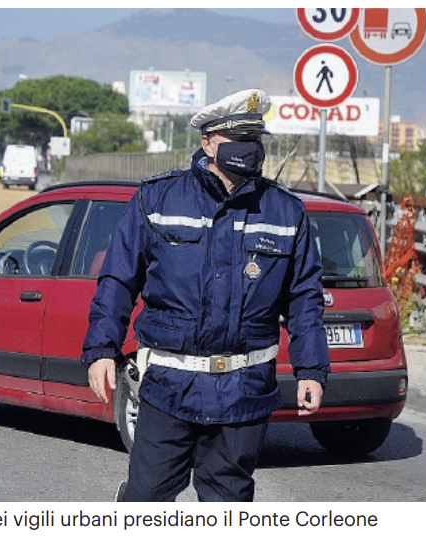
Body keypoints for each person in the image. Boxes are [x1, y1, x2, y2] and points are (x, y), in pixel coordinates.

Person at [81, 89, 330, 502]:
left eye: (254, 140)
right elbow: (118, 280)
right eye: (237, 140)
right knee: (146, 500)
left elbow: (305, 299)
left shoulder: (286, 213)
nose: (248, 150)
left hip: (244, 391)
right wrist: (101, 349)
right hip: (168, 387)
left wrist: (311, 370)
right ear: (208, 143)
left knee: (228, 507)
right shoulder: (157, 200)